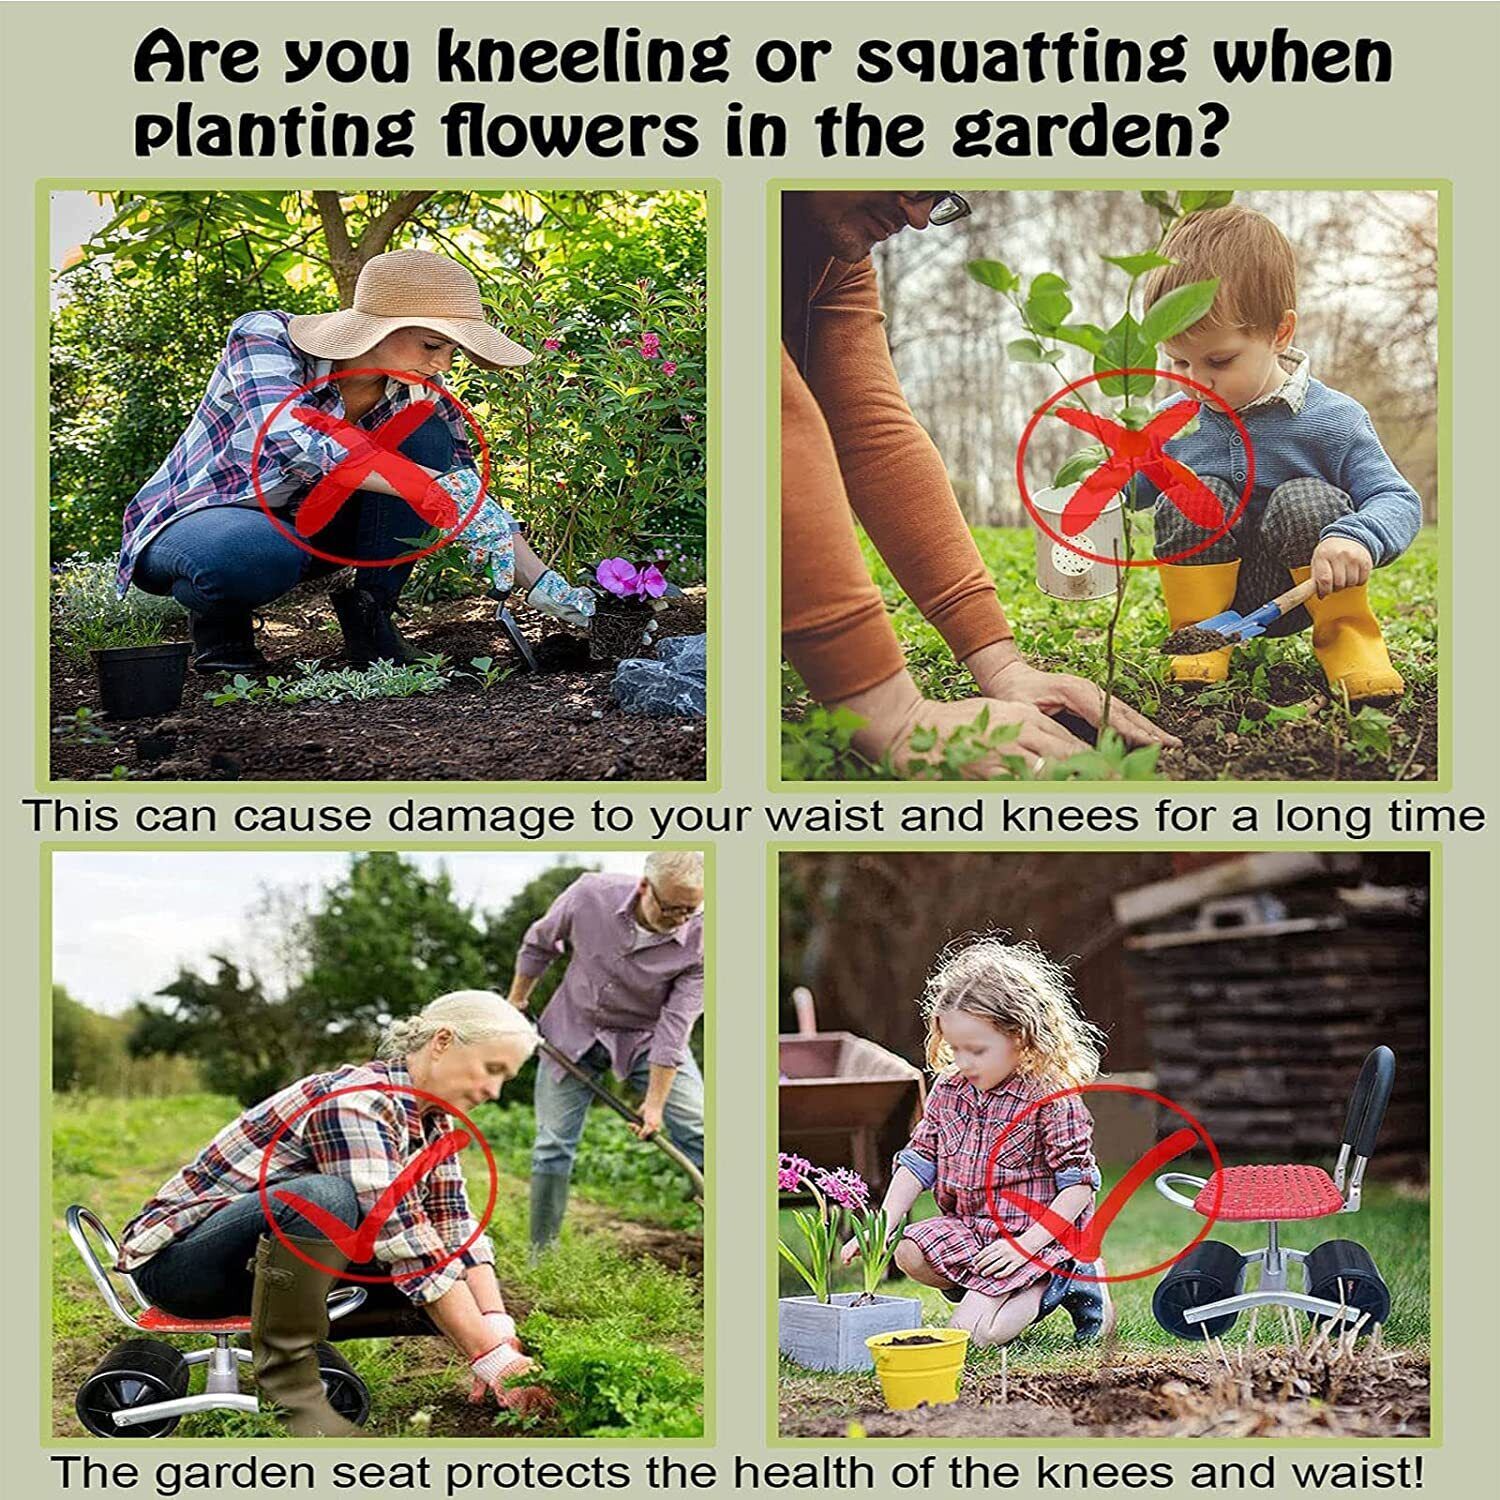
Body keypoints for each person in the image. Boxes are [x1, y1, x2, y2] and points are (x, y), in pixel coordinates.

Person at [781, 190, 1176, 776]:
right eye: (909, 172)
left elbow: (871, 432)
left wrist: (1000, 665)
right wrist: (891, 710)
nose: (918, 216)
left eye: (941, 195)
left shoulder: (834, 255)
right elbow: (768, 418)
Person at [119, 248, 595, 673]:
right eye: (432, 345)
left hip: (311, 527)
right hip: (207, 518)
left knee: (427, 436)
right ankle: (221, 636)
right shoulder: (267, 336)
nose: (443, 364)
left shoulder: (414, 389)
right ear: (377, 329)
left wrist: (540, 581)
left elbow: (462, 486)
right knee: (253, 554)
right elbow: (288, 439)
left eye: (454, 351)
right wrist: (426, 484)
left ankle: (372, 621)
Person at [115, 991, 545, 1436]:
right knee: (328, 1199)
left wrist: (496, 1330)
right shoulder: (357, 1101)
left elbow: (454, 1227)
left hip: (255, 1266)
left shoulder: (433, 1123)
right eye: (492, 1069)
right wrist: (488, 1356)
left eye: (505, 1079)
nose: (493, 1091)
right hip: (182, 1268)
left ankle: (283, 1354)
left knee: (447, 1300)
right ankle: (293, 1395)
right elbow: (405, 1240)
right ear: (442, 1042)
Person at [1142, 205, 1421, 700]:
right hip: (1214, 592)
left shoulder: (1331, 417)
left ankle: (1348, 641)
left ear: (1279, 334)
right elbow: (1131, 483)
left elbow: (1397, 498)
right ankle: (1202, 640)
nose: (1196, 381)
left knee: (1303, 498)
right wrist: (1091, 489)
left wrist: (1357, 539)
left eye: (1219, 360)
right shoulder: (1178, 416)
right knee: (1190, 491)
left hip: (1309, 587)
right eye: (1179, 361)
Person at [843, 938, 1115, 1349]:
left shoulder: (1051, 1099)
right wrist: (883, 1226)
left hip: (1037, 1235)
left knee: (976, 1335)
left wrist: (1024, 1247)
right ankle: (991, 1285)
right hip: (974, 1229)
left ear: (1021, 1038)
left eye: (977, 1050)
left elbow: (1077, 1187)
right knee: (909, 1253)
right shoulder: (951, 1089)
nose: (963, 1061)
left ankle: (1072, 1277)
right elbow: (919, 1159)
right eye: (955, 1048)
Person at [509, 854, 705, 1254]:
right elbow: (540, 943)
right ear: (644, 887)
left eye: (691, 909)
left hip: (647, 1038)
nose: (680, 920)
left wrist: (654, 1105)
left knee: (700, 1129)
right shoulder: (589, 895)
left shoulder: (707, 937)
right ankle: (540, 1254)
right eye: (671, 908)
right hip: (573, 1029)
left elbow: (676, 1025)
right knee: (553, 1144)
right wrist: (516, 1002)